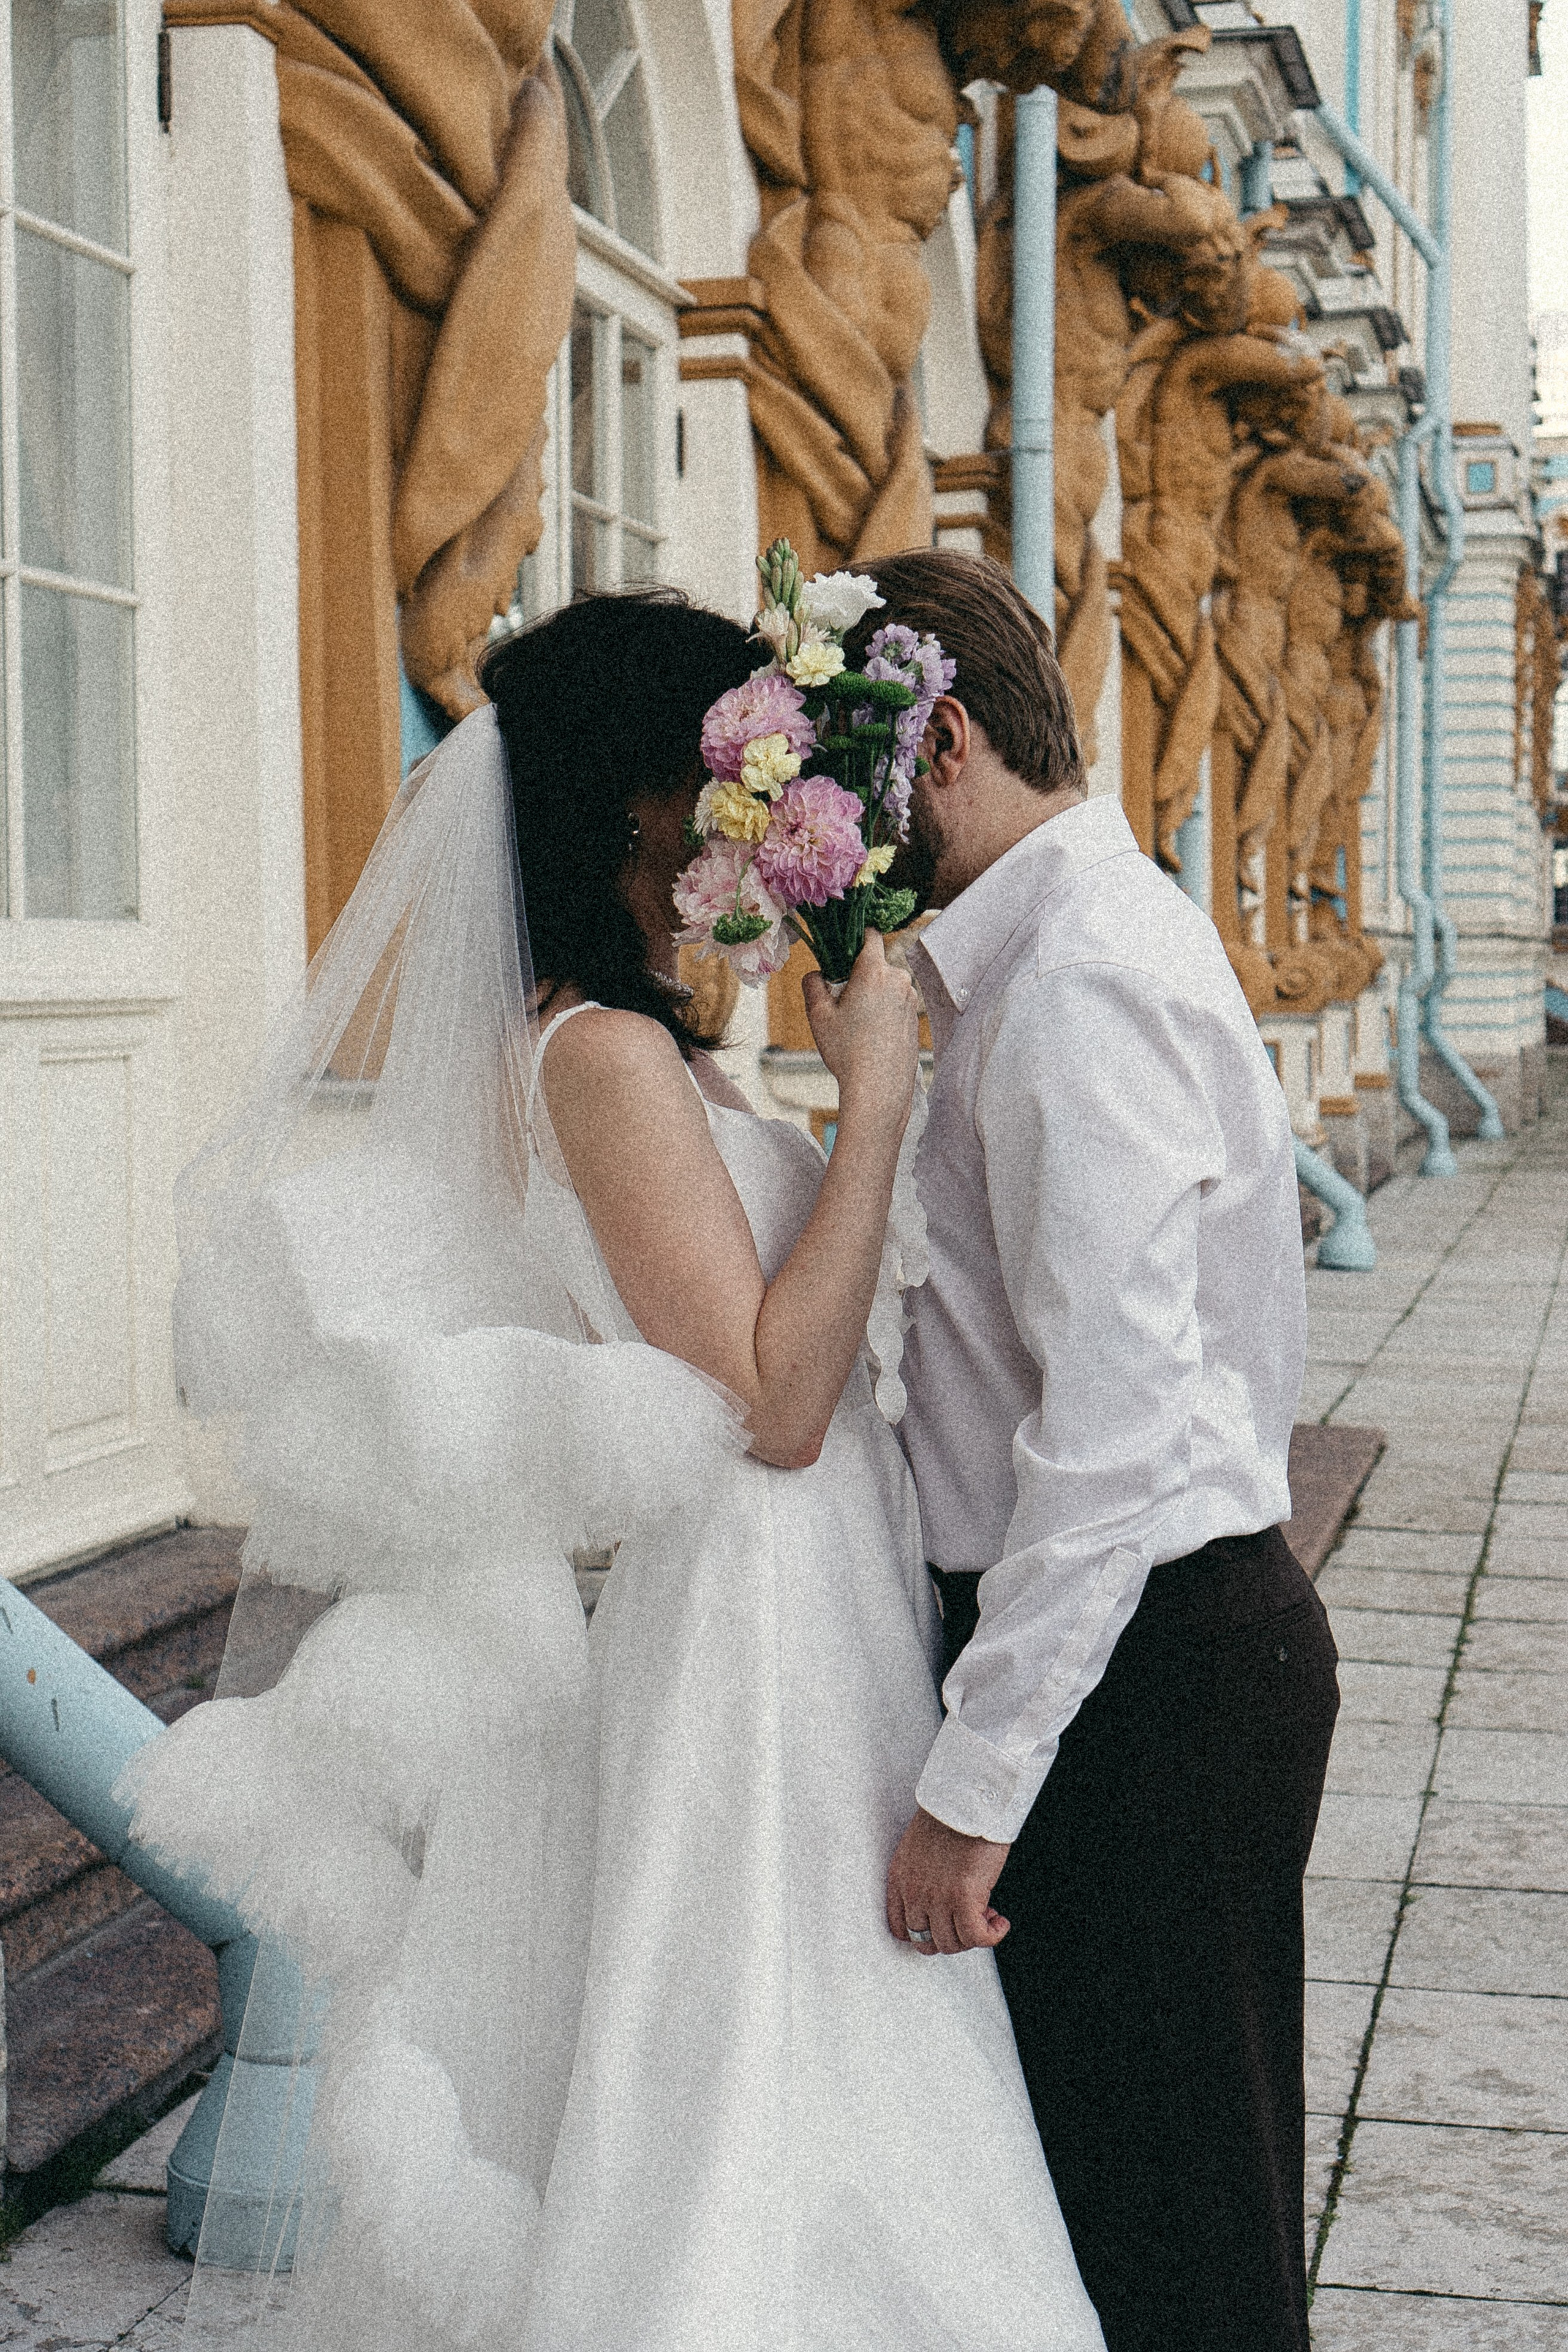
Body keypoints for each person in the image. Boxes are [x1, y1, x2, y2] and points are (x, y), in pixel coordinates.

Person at [121, 589, 1104, 2352]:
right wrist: (871, 1099)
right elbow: (768, 1404)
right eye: (726, 767)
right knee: (763, 2047)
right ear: (642, 803)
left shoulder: (660, 1051)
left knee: (829, 2034)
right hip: (751, 1611)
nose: (756, 801)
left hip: (824, 1596)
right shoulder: (601, 1057)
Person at [869, 549, 1340, 2352]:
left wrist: (968, 1792)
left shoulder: (1071, 982)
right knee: (1140, 2234)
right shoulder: (1063, 945)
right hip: (1157, 1657)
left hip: (1149, 1677)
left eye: (852, 787)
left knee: (1180, 2264)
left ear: (949, 745)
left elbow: (1113, 1438)